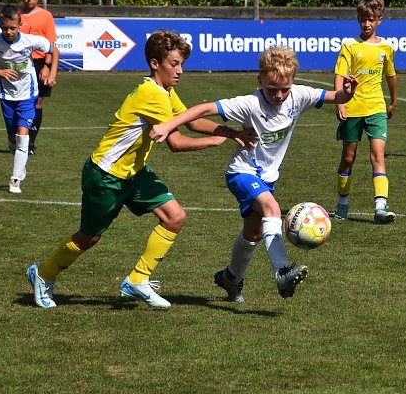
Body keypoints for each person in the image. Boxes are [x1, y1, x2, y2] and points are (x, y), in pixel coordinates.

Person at [26, 30, 251, 309]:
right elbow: (177, 142)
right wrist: (217, 140)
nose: (180, 71)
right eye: (174, 64)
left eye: (181, 64)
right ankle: (43, 274)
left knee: (174, 217)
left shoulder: (164, 91)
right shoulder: (152, 95)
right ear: (155, 64)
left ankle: (137, 280)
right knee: (89, 237)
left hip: (134, 172)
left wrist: (230, 132)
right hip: (106, 175)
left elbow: (190, 121)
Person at [148, 47, 358, 303]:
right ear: (260, 81)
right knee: (272, 208)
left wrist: (347, 92)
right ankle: (282, 273)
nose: (279, 95)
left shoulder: (299, 95)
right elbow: (203, 110)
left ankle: (230, 278)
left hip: (267, 178)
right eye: (272, 89)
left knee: (254, 234)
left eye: (284, 88)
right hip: (241, 172)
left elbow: (337, 96)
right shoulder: (250, 104)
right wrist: (169, 125)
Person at [0, 5, 59, 194]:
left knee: (23, 135)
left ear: (20, 25)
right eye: (5, 28)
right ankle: (20, 163)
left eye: (13, 28)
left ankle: (15, 179)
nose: (9, 32)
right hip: (7, 95)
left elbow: (53, 50)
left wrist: (49, 71)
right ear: (0, 26)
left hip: (28, 93)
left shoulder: (30, 40)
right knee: (12, 139)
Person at [333, 0, 398, 224]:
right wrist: (340, 102)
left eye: (371, 19)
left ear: (379, 20)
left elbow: (390, 75)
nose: (367, 24)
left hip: (376, 107)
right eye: (363, 19)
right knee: (348, 158)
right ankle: (342, 203)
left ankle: (380, 206)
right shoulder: (349, 45)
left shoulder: (387, 47)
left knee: (377, 155)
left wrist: (393, 101)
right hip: (353, 107)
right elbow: (340, 75)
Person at [18, 0, 58, 155]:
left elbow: (50, 43)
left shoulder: (46, 16)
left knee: (38, 101)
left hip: (40, 62)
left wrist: (47, 66)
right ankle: (19, 137)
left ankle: (30, 143)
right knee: (20, 101)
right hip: (20, 63)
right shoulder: (16, 14)